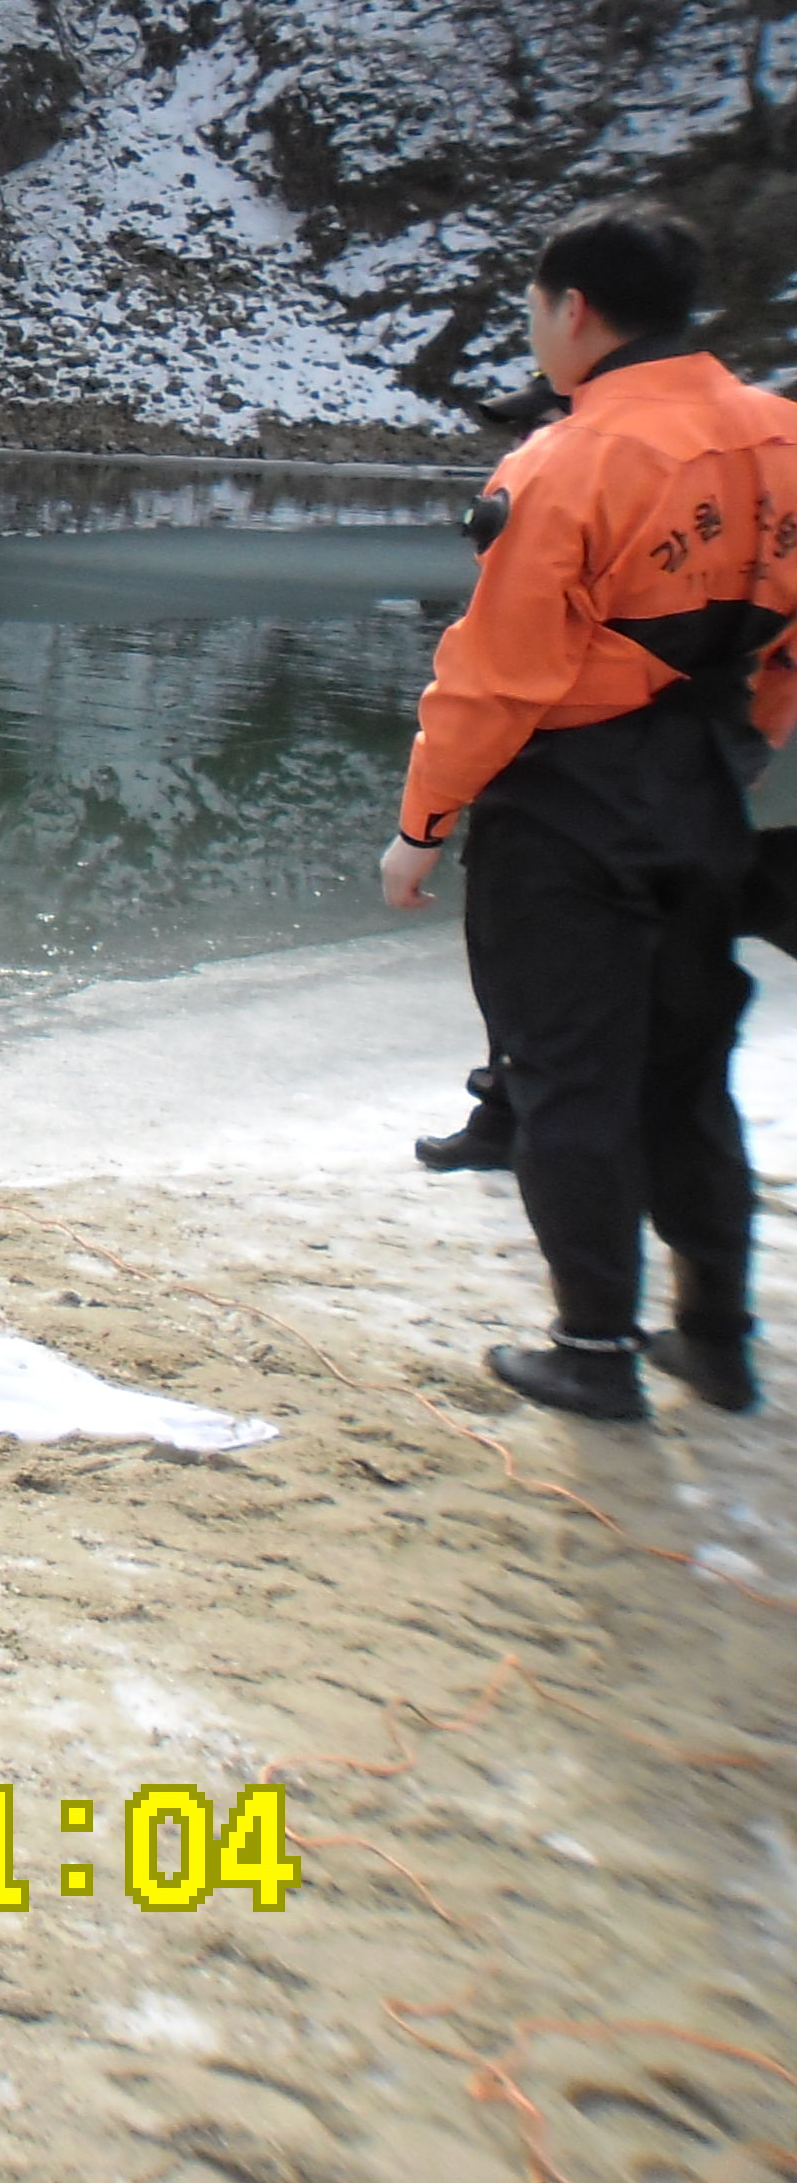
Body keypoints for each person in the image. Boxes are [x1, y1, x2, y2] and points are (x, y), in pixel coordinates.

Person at [384, 198, 797, 1420]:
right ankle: (715, 1339)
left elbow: (494, 675)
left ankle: (594, 1350)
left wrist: (422, 826)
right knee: (687, 1074)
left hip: (567, 807)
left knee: (570, 1077)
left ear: (573, 309)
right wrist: (742, 748)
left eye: (533, 311)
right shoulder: (781, 439)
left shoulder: (566, 461)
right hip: (702, 787)